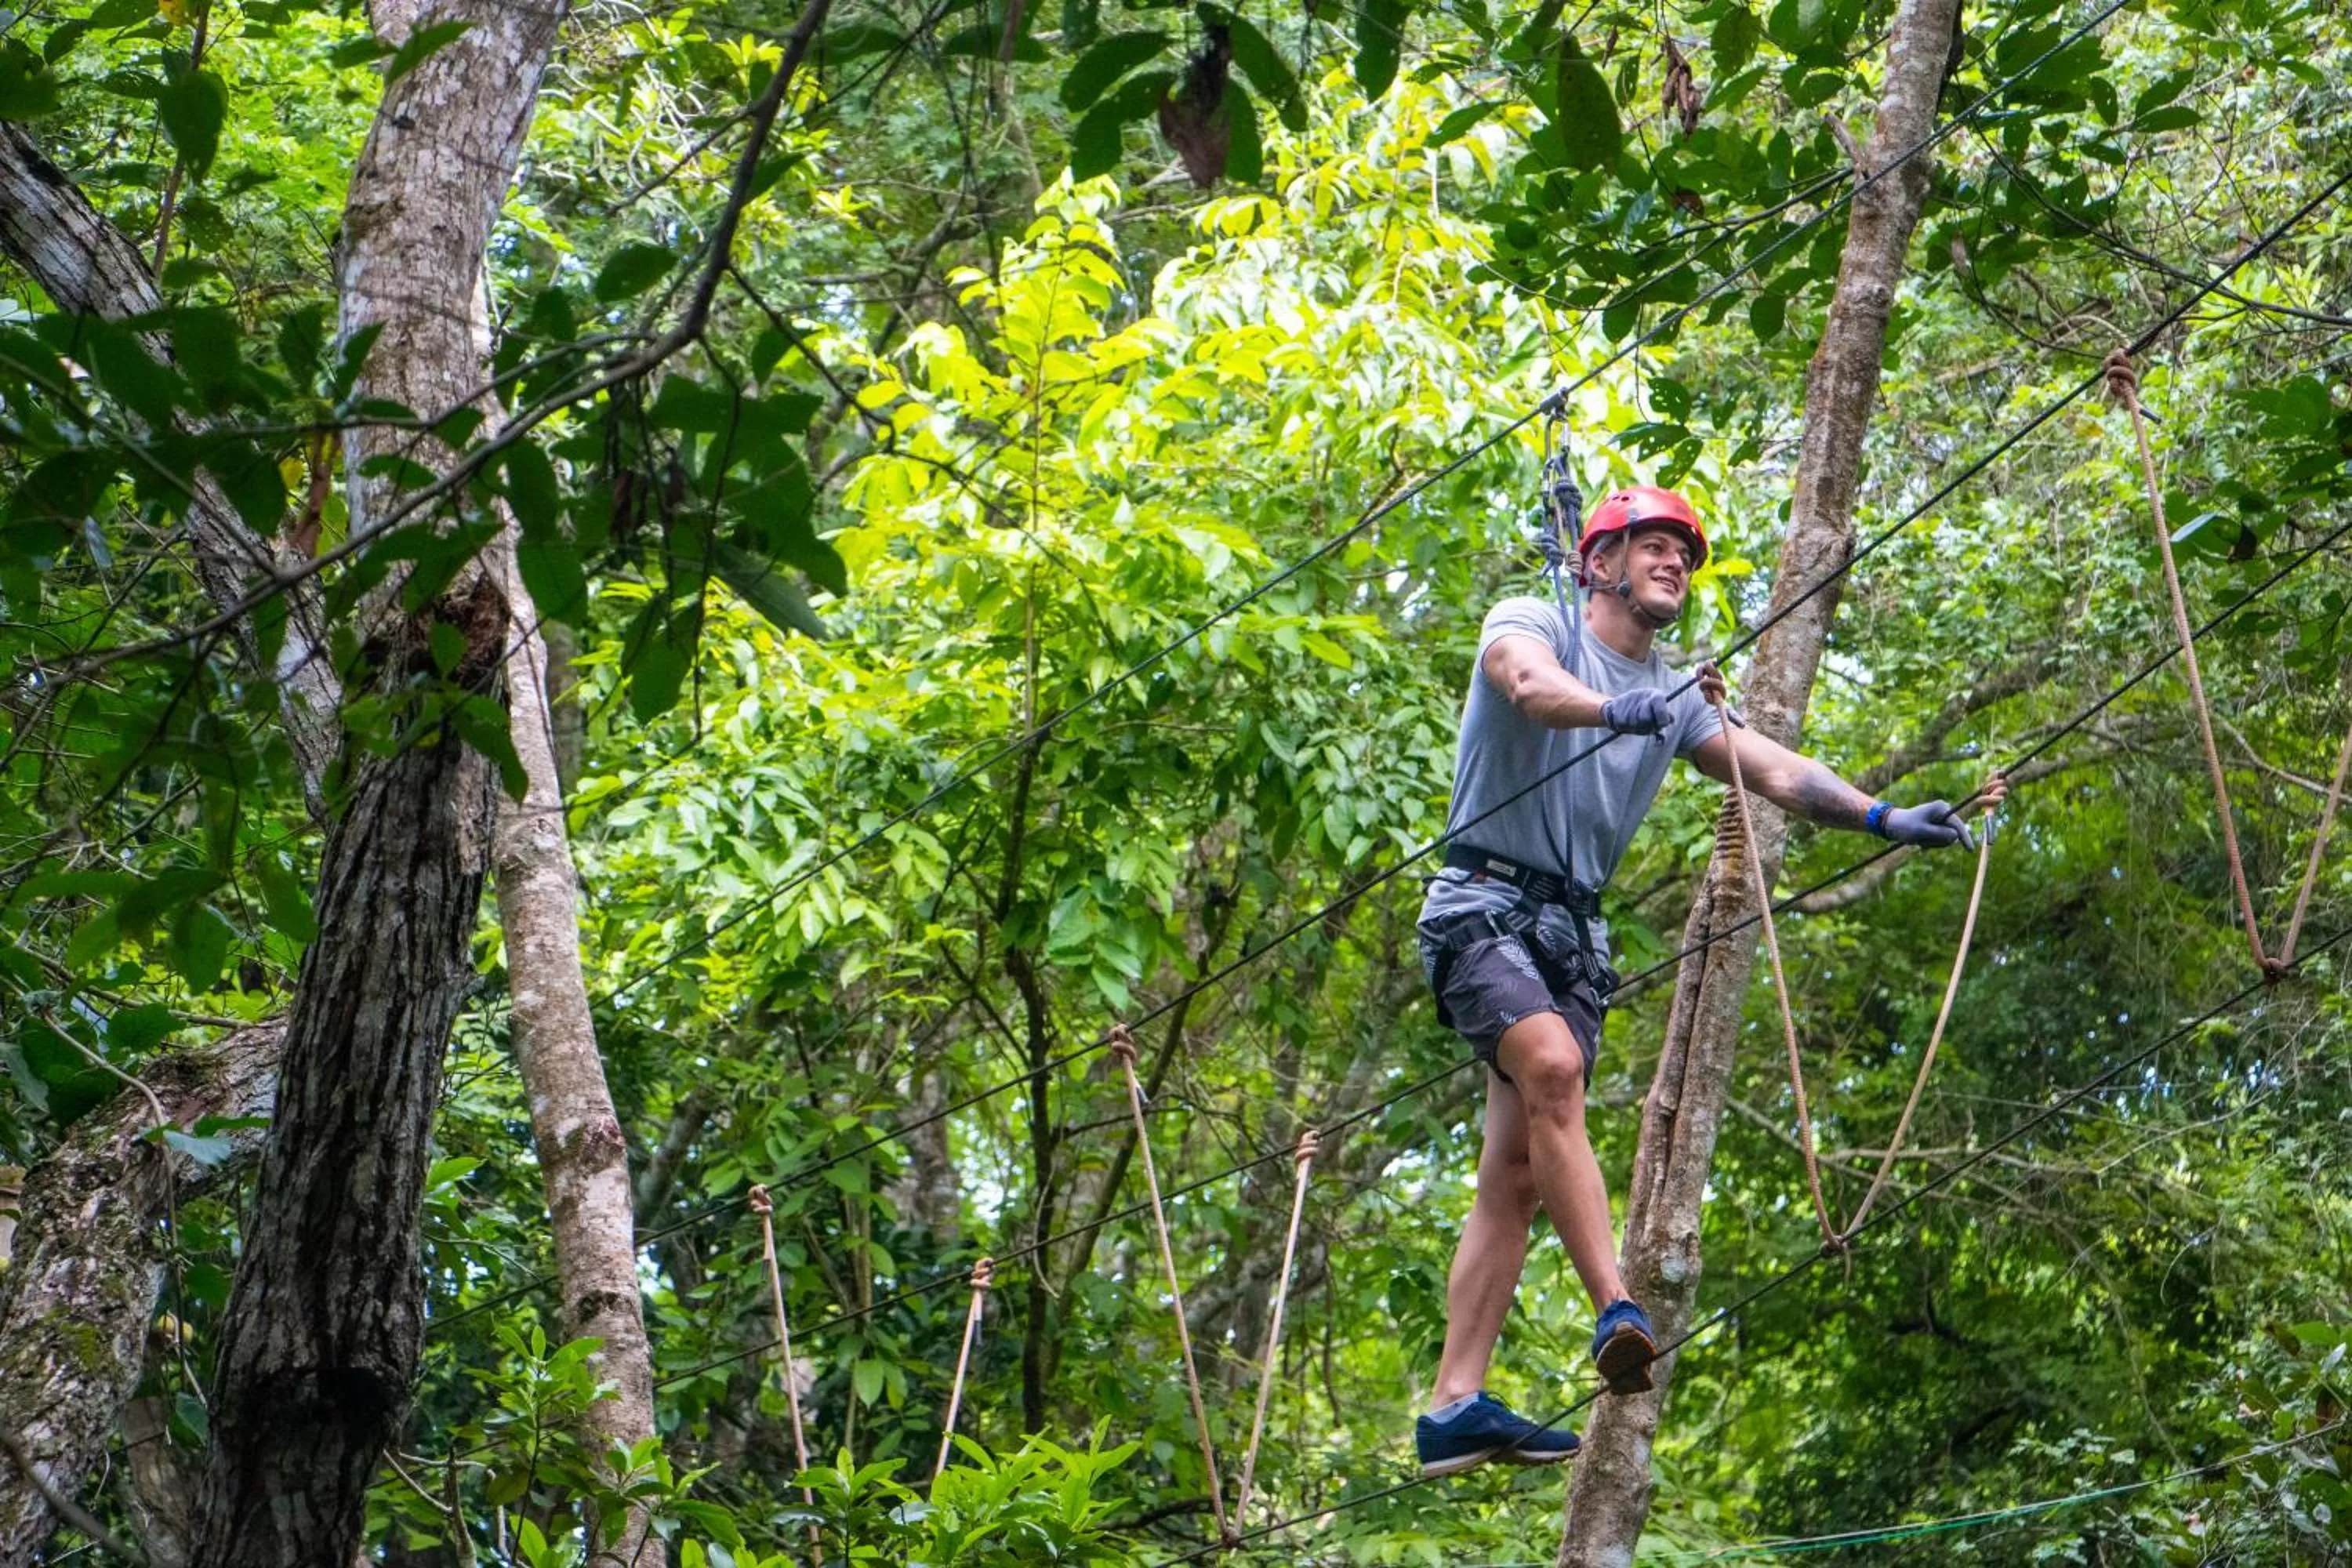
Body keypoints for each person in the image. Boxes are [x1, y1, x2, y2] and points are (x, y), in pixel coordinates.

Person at [1410, 483, 2005, 1479]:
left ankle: (1452, 1405)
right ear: (1598, 563)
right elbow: (1526, 685)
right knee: (1551, 1067)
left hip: (1571, 935)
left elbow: (1772, 769)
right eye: (1653, 545)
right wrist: (1620, 706)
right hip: (1481, 901)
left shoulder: (1679, 694)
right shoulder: (1535, 620)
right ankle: (1617, 1308)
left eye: (1685, 553)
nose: (1675, 562)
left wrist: (1881, 817)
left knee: (1514, 1173)